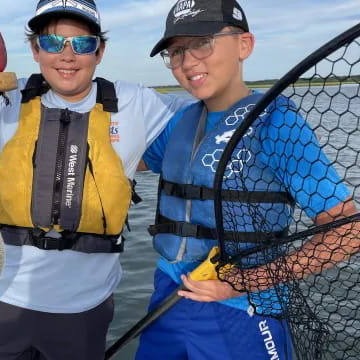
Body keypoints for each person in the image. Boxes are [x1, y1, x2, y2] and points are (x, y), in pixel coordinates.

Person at [0, 1, 194, 359]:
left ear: (100, 50)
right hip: (1, 302)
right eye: (52, 43)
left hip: (84, 309)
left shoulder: (136, 102)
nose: (67, 56)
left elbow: (210, 117)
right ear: (35, 50)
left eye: (81, 44)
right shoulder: (5, 99)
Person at [136, 0, 358, 359]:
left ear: (244, 45)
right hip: (169, 293)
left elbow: (347, 232)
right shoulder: (181, 122)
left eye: (202, 42)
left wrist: (239, 283)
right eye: (176, 51)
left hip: (246, 309)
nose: (188, 61)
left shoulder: (277, 123)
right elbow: (124, 163)